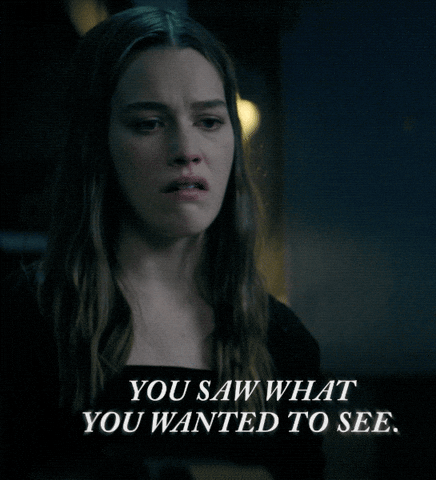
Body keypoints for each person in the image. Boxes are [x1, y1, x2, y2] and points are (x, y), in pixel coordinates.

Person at [1, 7, 324, 479]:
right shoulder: (23, 324)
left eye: (208, 121)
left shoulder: (284, 342)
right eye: (149, 123)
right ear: (97, 142)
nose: (186, 151)